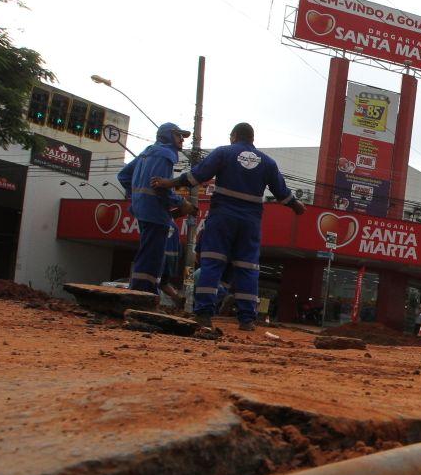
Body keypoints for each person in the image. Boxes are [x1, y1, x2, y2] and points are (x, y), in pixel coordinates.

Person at [152, 122, 305, 331]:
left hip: (222, 218)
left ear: (233, 136)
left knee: (212, 265)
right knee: (247, 268)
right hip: (250, 223)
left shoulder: (224, 153)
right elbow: (282, 193)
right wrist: (297, 206)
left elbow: (196, 176)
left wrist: (168, 183)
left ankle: (204, 314)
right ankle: (247, 320)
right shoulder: (267, 162)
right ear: (252, 139)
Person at [117, 122, 193, 295]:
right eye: (178, 135)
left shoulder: (147, 152)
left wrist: (137, 195)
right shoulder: (166, 154)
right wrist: (182, 203)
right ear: (167, 135)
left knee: (146, 253)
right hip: (155, 213)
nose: (182, 139)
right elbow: (161, 187)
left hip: (143, 210)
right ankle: (143, 294)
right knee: (152, 257)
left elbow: (123, 176)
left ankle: (139, 292)